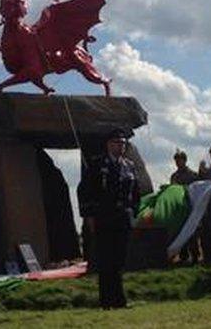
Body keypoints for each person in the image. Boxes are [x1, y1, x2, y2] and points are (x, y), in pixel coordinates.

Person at [78, 128, 140, 309]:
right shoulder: (97, 165)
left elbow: (135, 192)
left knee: (119, 260)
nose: (120, 146)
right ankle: (106, 301)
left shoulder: (129, 166)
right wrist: (89, 216)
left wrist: (134, 211)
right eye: (116, 143)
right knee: (106, 260)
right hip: (104, 218)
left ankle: (119, 300)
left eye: (123, 143)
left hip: (123, 218)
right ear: (108, 144)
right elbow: (85, 191)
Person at [169, 150, 201, 264]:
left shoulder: (192, 175)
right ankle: (183, 256)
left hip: (190, 207)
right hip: (179, 208)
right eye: (176, 160)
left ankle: (195, 256)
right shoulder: (174, 176)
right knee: (181, 232)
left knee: (192, 232)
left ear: (185, 160)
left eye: (180, 160)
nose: (178, 162)